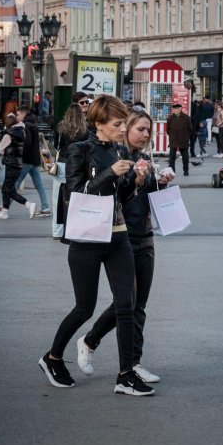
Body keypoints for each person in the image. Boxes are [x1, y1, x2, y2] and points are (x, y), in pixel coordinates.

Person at [39, 94, 154, 396]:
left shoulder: (118, 150)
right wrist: (109, 174)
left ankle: (126, 375)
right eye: (117, 124)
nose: (122, 128)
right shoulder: (79, 151)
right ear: (99, 123)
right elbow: (76, 194)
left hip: (118, 236)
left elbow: (122, 197)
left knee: (126, 305)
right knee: (84, 308)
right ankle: (52, 358)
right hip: (87, 238)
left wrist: (137, 181)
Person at [76, 107, 174, 386]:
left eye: (148, 130)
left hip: (145, 236)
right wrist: (133, 177)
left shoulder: (146, 158)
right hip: (122, 237)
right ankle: (92, 342)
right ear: (126, 128)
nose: (145, 135)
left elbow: (147, 197)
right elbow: (119, 198)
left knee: (138, 304)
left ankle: (133, 361)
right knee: (126, 304)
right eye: (139, 129)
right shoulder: (117, 159)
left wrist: (161, 182)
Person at [52, 103, 88, 239]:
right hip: (77, 165)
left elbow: (56, 144)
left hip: (61, 163)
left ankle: (57, 231)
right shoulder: (85, 129)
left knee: (57, 198)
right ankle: (75, 229)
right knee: (77, 197)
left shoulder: (61, 127)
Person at [0, 113, 37, 220]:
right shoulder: (21, 131)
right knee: (7, 188)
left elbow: (0, 149)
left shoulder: (8, 134)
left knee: (8, 189)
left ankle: (28, 204)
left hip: (10, 164)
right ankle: (5, 211)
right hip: (18, 164)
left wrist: (5, 131)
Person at [11, 105, 49, 217]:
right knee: (39, 185)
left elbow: (26, 143)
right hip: (35, 160)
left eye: (18, 114)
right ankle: (45, 208)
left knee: (16, 183)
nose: (17, 117)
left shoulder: (26, 126)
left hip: (27, 160)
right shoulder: (33, 125)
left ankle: (5, 207)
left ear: (23, 114)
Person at [166, 103, 193, 176]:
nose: (175, 110)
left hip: (183, 140)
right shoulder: (170, 118)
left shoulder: (186, 118)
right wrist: (172, 135)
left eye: (177, 109)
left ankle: (186, 171)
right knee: (171, 157)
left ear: (180, 109)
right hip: (173, 139)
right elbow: (168, 130)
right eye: (174, 109)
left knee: (185, 158)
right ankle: (172, 171)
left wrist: (186, 137)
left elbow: (190, 129)